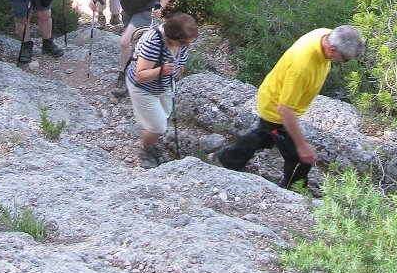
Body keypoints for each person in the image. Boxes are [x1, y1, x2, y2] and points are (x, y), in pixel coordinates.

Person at [210, 25, 364, 189]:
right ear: (332, 49)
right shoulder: (303, 65)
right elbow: (285, 110)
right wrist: (302, 145)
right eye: (346, 59)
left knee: (265, 136)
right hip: (277, 111)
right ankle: (294, 193)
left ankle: (224, 159)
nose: (345, 62)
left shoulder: (324, 34)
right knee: (300, 158)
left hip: (273, 95)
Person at [90, 0, 171, 95]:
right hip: (127, 11)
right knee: (136, 45)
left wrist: (160, 8)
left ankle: (126, 78)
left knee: (124, 41)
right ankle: (140, 75)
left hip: (146, 10)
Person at [126, 13, 198, 168]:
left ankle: (152, 143)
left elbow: (180, 58)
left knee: (164, 115)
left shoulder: (181, 44)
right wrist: (161, 71)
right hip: (143, 88)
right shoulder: (153, 42)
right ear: (173, 37)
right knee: (158, 126)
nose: (188, 45)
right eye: (185, 43)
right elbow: (140, 75)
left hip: (164, 85)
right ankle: (145, 150)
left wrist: (179, 68)